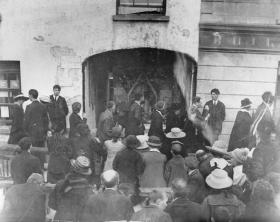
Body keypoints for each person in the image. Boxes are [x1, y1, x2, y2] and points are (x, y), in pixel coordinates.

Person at [49, 156, 94, 222]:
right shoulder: (88, 190)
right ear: (86, 174)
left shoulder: (60, 184)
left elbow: (52, 206)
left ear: (72, 168)